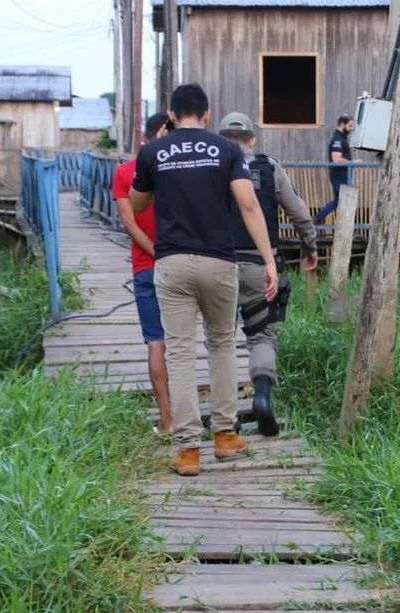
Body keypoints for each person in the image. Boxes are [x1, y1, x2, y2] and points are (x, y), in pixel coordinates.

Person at [129, 83, 279, 477]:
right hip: (219, 262)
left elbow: (138, 202)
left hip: (172, 262)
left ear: (171, 115)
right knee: (223, 345)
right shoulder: (227, 150)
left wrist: (157, 158)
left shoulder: (153, 152)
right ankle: (226, 436)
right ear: (207, 113)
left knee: (179, 352)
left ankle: (188, 450)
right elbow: (248, 205)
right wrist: (268, 260)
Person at [218, 112, 318, 437]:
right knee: (262, 334)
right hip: (259, 267)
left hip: (218, 265)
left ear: (220, 139)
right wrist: (310, 245)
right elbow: (298, 212)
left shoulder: (211, 168)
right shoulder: (270, 168)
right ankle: (261, 396)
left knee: (219, 340)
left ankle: (225, 417)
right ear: (252, 139)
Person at [112, 112, 174, 436]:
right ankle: (190, 416)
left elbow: (129, 224)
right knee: (183, 344)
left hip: (145, 268)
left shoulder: (124, 172)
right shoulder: (175, 168)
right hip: (179, 266)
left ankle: (167, 421)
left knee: (155, 343)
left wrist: (154, 253)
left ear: (143, 138)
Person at [313, 114, 359, 223]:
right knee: (344, 201)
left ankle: (317, 218)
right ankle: (318, 218)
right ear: (342, 124)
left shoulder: (341, 138)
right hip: (340, 176)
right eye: (349, 126)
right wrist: (353, 162)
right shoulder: (337, 139)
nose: (351, 129)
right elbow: (336, 159)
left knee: (339, 201)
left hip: (341, 175)